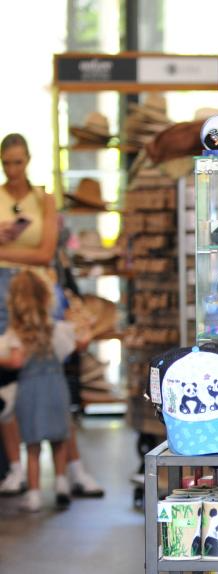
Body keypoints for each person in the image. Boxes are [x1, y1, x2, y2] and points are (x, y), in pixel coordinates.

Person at [0, 133, 103, 497]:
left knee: (53, 376)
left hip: (39, 290)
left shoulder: (43, 199)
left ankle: (72, 468)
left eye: (18, 161)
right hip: (3, 293)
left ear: (28, 160)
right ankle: (17, 469)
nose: (13, 169)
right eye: (6, 163)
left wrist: (5, 250)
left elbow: (45, 253)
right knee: (9, 382)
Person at [0, 269, 86, 511]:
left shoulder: (17, 332)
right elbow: (78, 345)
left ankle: (34, 494)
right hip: (56, 387)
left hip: (30, 390)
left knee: (33, 445)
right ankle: (61, 484)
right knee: (59, 439)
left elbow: (16, 360)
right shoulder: (57, 329)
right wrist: (86, 327)